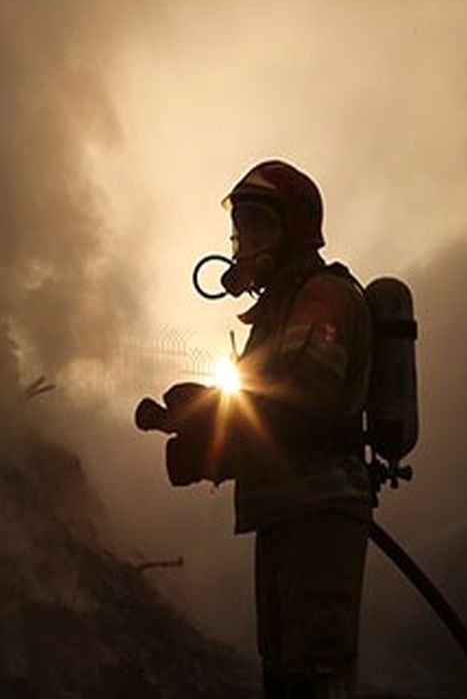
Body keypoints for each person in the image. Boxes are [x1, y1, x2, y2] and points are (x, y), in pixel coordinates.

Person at [139, 160, 373, 698]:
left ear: (295, 229)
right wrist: (207, 444)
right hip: (282, 506)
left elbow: (303, 406)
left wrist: (212, 420)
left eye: (258, 225)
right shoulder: (277, 312)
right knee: (285, 674)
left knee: (317, 673)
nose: (243, 240)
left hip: (318, 509)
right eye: (240, 226)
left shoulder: (322, 298)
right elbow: (265, 416)